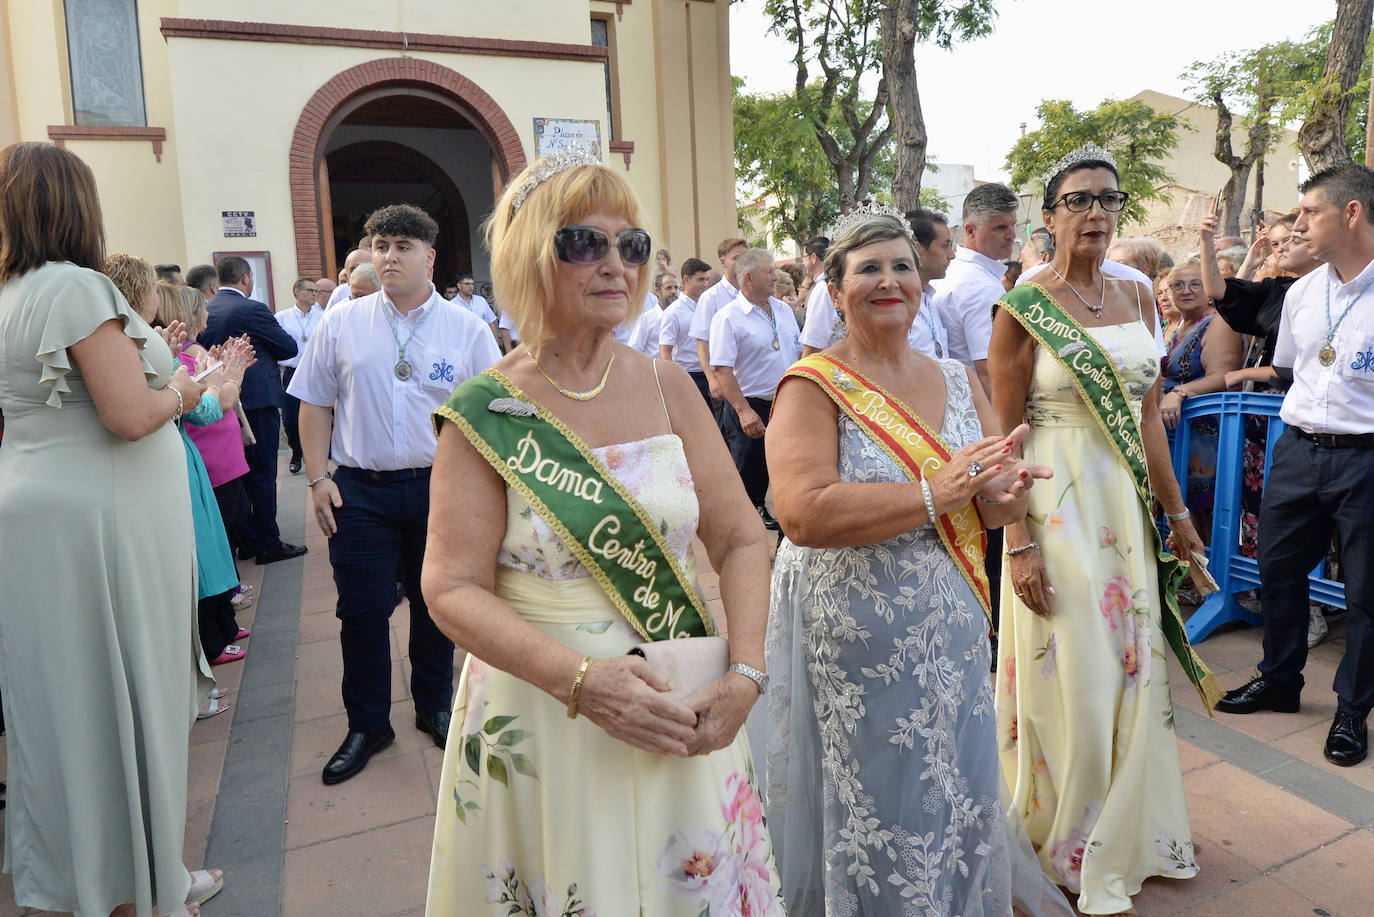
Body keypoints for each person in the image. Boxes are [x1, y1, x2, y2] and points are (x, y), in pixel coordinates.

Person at [423, 147, 782, 915]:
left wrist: (747, 673)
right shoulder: (487, 410)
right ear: (528, 255)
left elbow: (742, 537)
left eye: (632, 244)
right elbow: (450, 587)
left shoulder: (665, 383)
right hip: (549, 713)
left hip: (683, 700)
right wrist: (584, 683)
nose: (616, 263)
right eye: (584, 242)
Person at [764, 205, 1066, 916]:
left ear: (922, 284)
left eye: (902, 266)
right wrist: (938, 490)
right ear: (834, 291)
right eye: (868, 268)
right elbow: (802, 512)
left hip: (950, 623)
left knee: (950, 784)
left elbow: (989, 504)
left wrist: (1006, 493)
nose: (889, 280)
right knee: (872, 792)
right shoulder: (812, 385)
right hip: (854, 630)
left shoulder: (960, 381)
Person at [989, 145, 1220, 916]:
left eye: (1108, 199)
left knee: (1129, 664)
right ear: (1049, 215)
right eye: (1078, 199)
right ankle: (1062, 831)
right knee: (1077, 666)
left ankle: (1124, 829)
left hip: (1121, 501)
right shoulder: (1024, 302)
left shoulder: (1138, 297)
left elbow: (1148, 413)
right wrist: (1016, 538)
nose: (1096, 212)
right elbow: (1006, 429)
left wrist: (1178, 515)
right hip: (1053, 499)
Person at [0, 141, 212, 917]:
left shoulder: (10, 292)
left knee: (67, 711)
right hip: (99, 529)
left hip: (40, 515)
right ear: (75, 206)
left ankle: (105, 879)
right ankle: (137, 890)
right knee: (124, 700)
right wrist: (186, 389)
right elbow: (129, 414)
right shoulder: (74, 289)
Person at [291, 203, 500, 785]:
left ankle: (435, 704)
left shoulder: (467, 328)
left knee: (439, 606)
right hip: (360, 490)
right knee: (360, 610)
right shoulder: (343, 322)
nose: (389, 256)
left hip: (441, 488)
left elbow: (490, 414)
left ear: (429, 257)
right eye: (380, 245)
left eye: (403, 247)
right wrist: (317, 478)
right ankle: (368, 723)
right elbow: (314, 402)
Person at [1214, 164, 1374, 770]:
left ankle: (1353, 709)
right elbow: (1292, 369)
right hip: (1299, 448)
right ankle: (1279, 680)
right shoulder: (1303, 290)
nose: (1297, 223)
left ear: (1352, 213)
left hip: (1368, 457)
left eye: (1310, 212)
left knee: (1366, 593)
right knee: (1276, 567)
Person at [1202, 210, 1321, 574]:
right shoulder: (1279, 290)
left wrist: (1241, 374)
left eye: (1290, 240)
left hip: (1306, 418)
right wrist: (1206, 242)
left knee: (1305, 512)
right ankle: (1260, 584)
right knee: (1259, 501)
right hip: (1262, 413)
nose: (1281, 248)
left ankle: (1315, 602)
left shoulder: (1340, 291)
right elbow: (1220, 294)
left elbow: (1299, 366)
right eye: (1275, 243)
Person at [200, 254, 307, 564]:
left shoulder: (208, 308)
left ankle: (247, 539)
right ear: (246, 279)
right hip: (257, 400)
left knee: (239, 472)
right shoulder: (251, 309)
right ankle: (267, 543)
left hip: (219, 398)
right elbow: (288, 347)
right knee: (262, 472)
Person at [709, 248, 802, 531]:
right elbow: (722, 369)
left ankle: (782, 526)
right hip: (751, 406)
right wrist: (744, 411)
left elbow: (797, 351)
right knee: (749, 473)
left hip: (785, 404)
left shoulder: (783, 309)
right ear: (749, 278)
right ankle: (742, 534)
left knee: (786, 470)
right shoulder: (728, 317)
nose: (776, 277)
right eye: (769, 272)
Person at [1158, 259, 1244, 536]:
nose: (1186, 290)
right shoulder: (1179, 326)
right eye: (1177, 285)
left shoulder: (1218, 322)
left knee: (1201, 506)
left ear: (1209, 289)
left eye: (1196, 284)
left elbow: (1225, 375)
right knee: (1181, 502)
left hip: (1205, 435)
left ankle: (1202, 572)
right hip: (1178, 431)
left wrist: (1180, 393)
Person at [930, 182, 1018, 397]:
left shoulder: (949, 270)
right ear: (970, 230)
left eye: (1013, 225)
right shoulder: (981, 287)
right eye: (1000, 228)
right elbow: (990, 371)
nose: (1012, 235)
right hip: (977, 410)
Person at [690, 236, 748, 425]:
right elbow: (702, 343)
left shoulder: (750, 293)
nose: (742, 263)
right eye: (736, 258)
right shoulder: (711, 298)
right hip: (724, 383)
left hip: (748, 384)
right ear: (723, 262)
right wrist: (712, 379)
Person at [277, 277, 323, 474]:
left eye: (316, 291)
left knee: (319, 415)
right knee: (290, 418)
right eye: (310, 290)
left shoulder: (323, 316)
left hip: (316, 371)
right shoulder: (282, 317)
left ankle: (319, 458)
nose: (315, 294)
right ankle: (297, 451)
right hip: (292, 372)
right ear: (297, 291)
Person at [659, 257, 712, 403]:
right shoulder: (673, 312)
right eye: (701, 279)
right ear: (686, 279)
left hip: (713, 373)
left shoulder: (709, 305)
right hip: (690, 376)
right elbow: (665, 350)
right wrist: (673, 381)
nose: (706, 284)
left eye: (707, 279)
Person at [907, 206, 954, 359]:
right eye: (945, 246)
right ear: (917, 249)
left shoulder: (929, 301)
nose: (952, 255)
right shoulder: (897, 306)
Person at [628, 269, 678, 357]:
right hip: (656, 369)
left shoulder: (681, 316)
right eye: (669, 288)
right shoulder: (647, 319)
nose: (674, 291)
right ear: (657, 291)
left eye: (676, 288)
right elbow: (634, 351)